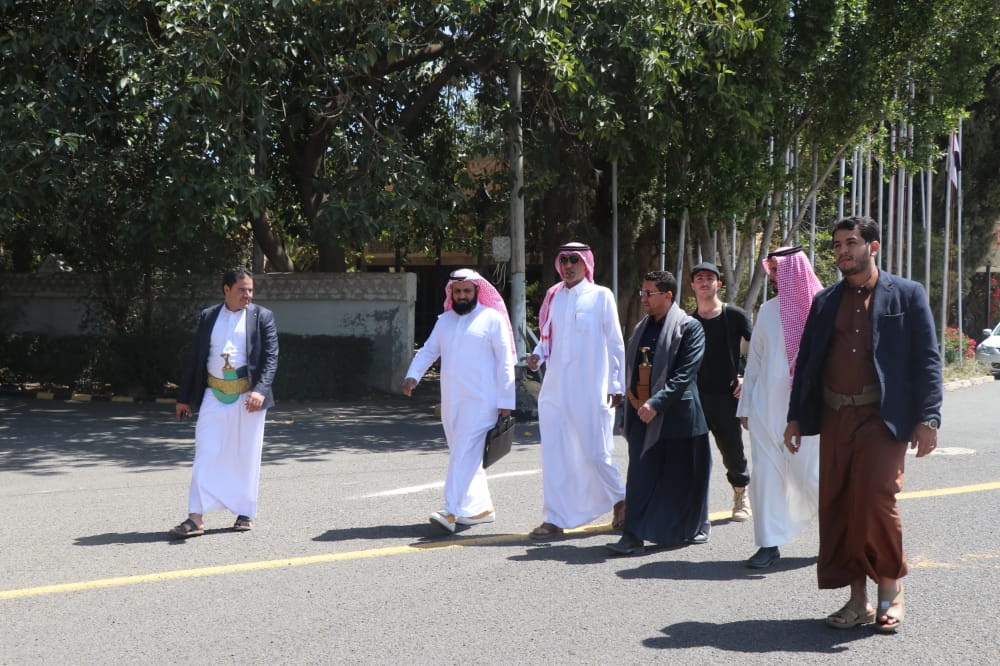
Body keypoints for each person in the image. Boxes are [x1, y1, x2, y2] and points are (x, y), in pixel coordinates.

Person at [784, 216, 942, 633]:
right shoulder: (824, 301)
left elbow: (927, 359)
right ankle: (859, 600)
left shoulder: (906, 294)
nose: (842, 251)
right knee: (840, 504)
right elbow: (807, 363)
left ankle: (890, 590)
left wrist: (929, 417)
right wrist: (795, 416)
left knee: (875, 497)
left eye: (851, 243)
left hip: (883, 418)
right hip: (836, 416)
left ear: (873, 247)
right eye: (837, 245)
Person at [402, 269, 516, 533]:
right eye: (457, 291)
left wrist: (506, 400)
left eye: (467, 291)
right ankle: (480, 509)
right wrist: (412, 375)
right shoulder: (445, 321)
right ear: (451, 293)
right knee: (464, 455)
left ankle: (451, 510)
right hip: (452, 402)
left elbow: (505, 363)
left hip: (483, 402)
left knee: (463, 453)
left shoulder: (492, 319)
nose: (462, 296)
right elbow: (429, 351)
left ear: (477, 291)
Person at [607, 271, 711, 555]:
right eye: (642, 292)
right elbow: (631, 374)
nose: (643, 298)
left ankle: (691, 527)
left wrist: (657, 403)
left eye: (648, 293)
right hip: (642, 415)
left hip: (678, 417)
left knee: (683, 478)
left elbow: (685, 373)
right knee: (640, 478)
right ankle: (632, 535)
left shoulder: (689, 328)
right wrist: (627, 415)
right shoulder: (641, 328)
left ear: (667, 295)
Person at [526, 242, 626, 539]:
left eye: (574, 260)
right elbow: (548, 337)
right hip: (556, 389)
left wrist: (616, 383)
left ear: (586, 263)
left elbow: (615, 342)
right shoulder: (554, 296)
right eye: (564, 260)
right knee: (555, 454)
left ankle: (620, 499)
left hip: (592, 388)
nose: (568, 265)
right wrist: (537, 355)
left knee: (596, 452)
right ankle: (554, 518)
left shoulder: (601, 296)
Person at [171, 267, 279, 538]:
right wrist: (183, 397)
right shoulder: (209, 316)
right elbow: (196, 357)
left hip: (249, 398)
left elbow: (271, 358)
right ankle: (195, 517)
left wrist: (260, 390)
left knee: (246, 455)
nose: (248, 295)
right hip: (213, 395)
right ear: (226, 289)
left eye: (250, 290)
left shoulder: (262, 316)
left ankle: (244, 512)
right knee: (206, 452)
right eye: (242, 290)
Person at [736, 247, 823, 569]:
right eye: (770, 269)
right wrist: (746, 406)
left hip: (809, 413)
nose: (772, 276)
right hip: (766, 409)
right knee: (766, 477)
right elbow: (756, 359)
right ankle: (768, 543)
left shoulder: (822, 306)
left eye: (777, 269)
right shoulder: (768, 310)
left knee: (813, 477)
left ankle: (835, 536)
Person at [690, 261, 754, 521]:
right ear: (692, 286)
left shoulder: (735, 315)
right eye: (699, 278)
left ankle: (741, 496)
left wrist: (745, 376)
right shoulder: (688, 321)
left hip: (726, 396)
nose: (704, 282)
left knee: (733, 452)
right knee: (692, 454)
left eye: (709, 278)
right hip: (695, 397)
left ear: (719, 283)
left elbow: (757, 349)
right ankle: (692, 506)